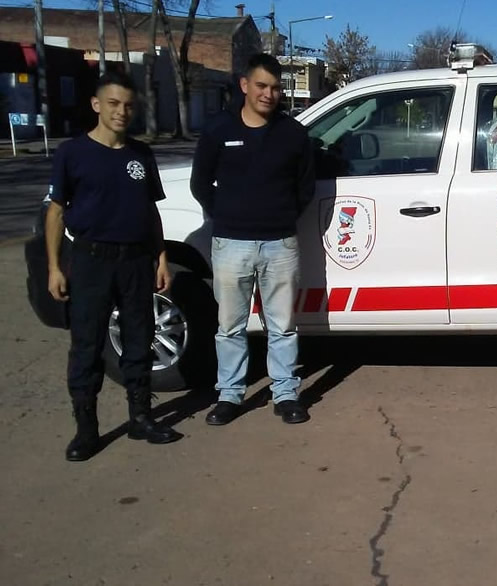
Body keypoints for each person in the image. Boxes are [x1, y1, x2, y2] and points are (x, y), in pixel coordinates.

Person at [47, 71, 183, 462]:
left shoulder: (141, 154)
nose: (122, 112)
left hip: (137, 261)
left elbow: (151, 212)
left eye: (127, 105)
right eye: (113, 104)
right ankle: (86, 429)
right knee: (87, 346)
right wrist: (55, 267)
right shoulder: (73, 153)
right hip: (91, 261)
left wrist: (160, 260)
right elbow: (57, 213)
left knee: (140, 341)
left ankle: (141, 417)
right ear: (96, 105)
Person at [191, 53, 316, 426]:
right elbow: (201, 184)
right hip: (231, 243)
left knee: (283, 325)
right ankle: (229, 394)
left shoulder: (293, 134)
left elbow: (305, 188)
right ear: (244, 85)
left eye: (276, 87)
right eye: (261, 85)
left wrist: (280, 216)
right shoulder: (218, 130)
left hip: (280, 243)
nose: (269, 94)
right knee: (230, 326)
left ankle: (286, 393)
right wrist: (228, 216)